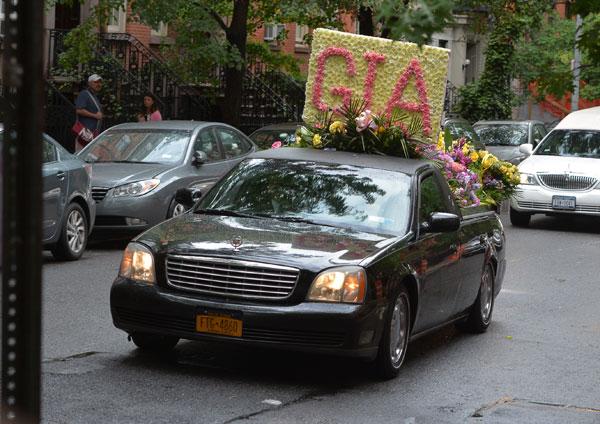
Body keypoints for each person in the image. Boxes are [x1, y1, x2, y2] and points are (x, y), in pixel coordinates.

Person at [74, 74, 103, 152]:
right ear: (89, 83)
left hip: (92, 132)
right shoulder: (84, 94)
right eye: (96, 82)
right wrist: (95, 116)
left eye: (100, 82)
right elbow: (79, 110)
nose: (99, 84)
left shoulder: (94, 96)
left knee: (89, 155)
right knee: (82, 155)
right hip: (85, 131)